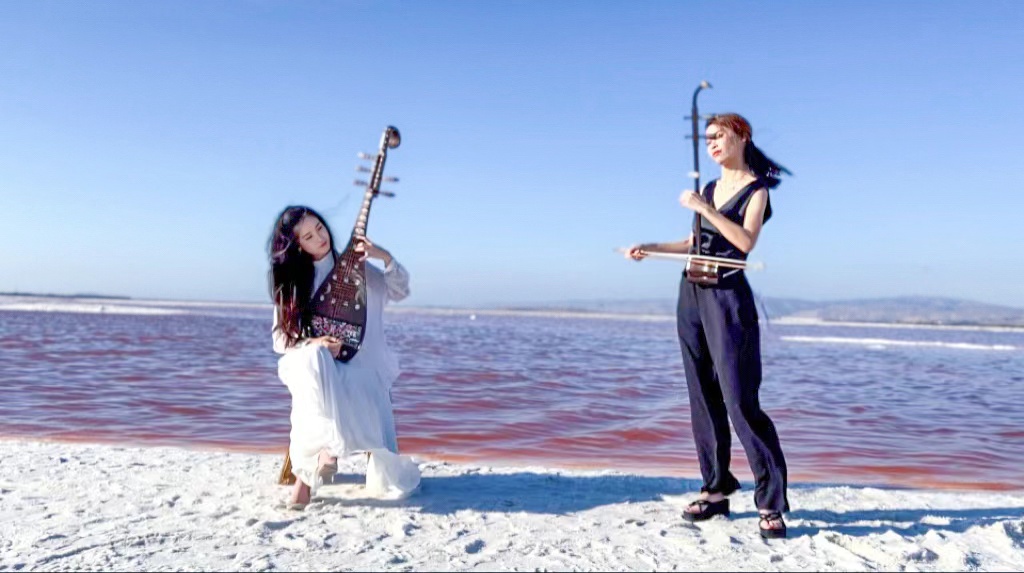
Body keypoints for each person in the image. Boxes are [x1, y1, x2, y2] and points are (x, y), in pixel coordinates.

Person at [627, 113, 791, 539]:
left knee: (739, 398)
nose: (713, 144)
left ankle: (770, 502)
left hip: (728, 297)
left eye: (720, 136)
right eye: (709, 139)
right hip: (692, 294)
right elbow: (693, 242)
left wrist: (704, 207)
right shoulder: (709, 189)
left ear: (741, 137)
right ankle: (716, 489)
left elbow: (743, 241)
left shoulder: (757, 190)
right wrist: (650, 246)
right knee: (702, 395)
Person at [268, 205, 420, 508]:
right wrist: (316, 343)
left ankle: (310, 474)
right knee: (315, 361)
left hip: (360, 362)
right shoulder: (293, 280)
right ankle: (318, 463)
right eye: (309, 236)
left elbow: (399, 290)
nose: (319, 238)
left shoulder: (354, 270)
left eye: (320, 228)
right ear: (298, 245)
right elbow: (280, 340)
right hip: (311, 364)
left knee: (331, 377)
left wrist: (384, 256)